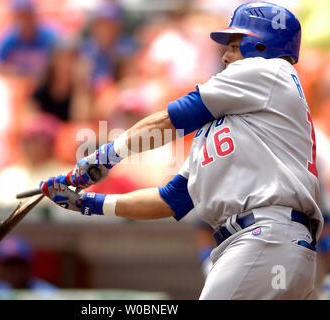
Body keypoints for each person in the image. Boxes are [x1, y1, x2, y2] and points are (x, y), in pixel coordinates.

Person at [39, 2, 323, 299]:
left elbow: (171, 119)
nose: (225, 56)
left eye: (235, 45)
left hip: (264, 238)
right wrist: (90, 203)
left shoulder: (268, 70)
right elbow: (170, 199)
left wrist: (106, 156)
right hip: (276, 246)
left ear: (261, 45)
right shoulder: (234, 126)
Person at [0, 0, 59, 78]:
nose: (24, 21)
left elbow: (60, 67)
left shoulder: (50, 37)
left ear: (34, 15)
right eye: (19, 16)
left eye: (27, 15)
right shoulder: (7, 38)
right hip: (17, 85)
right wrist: (15, 72)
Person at [0, 235, 58, 299]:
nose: (14, 270)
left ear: (29, 266)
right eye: (8, 265)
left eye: (19, 264)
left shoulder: (47, 294)